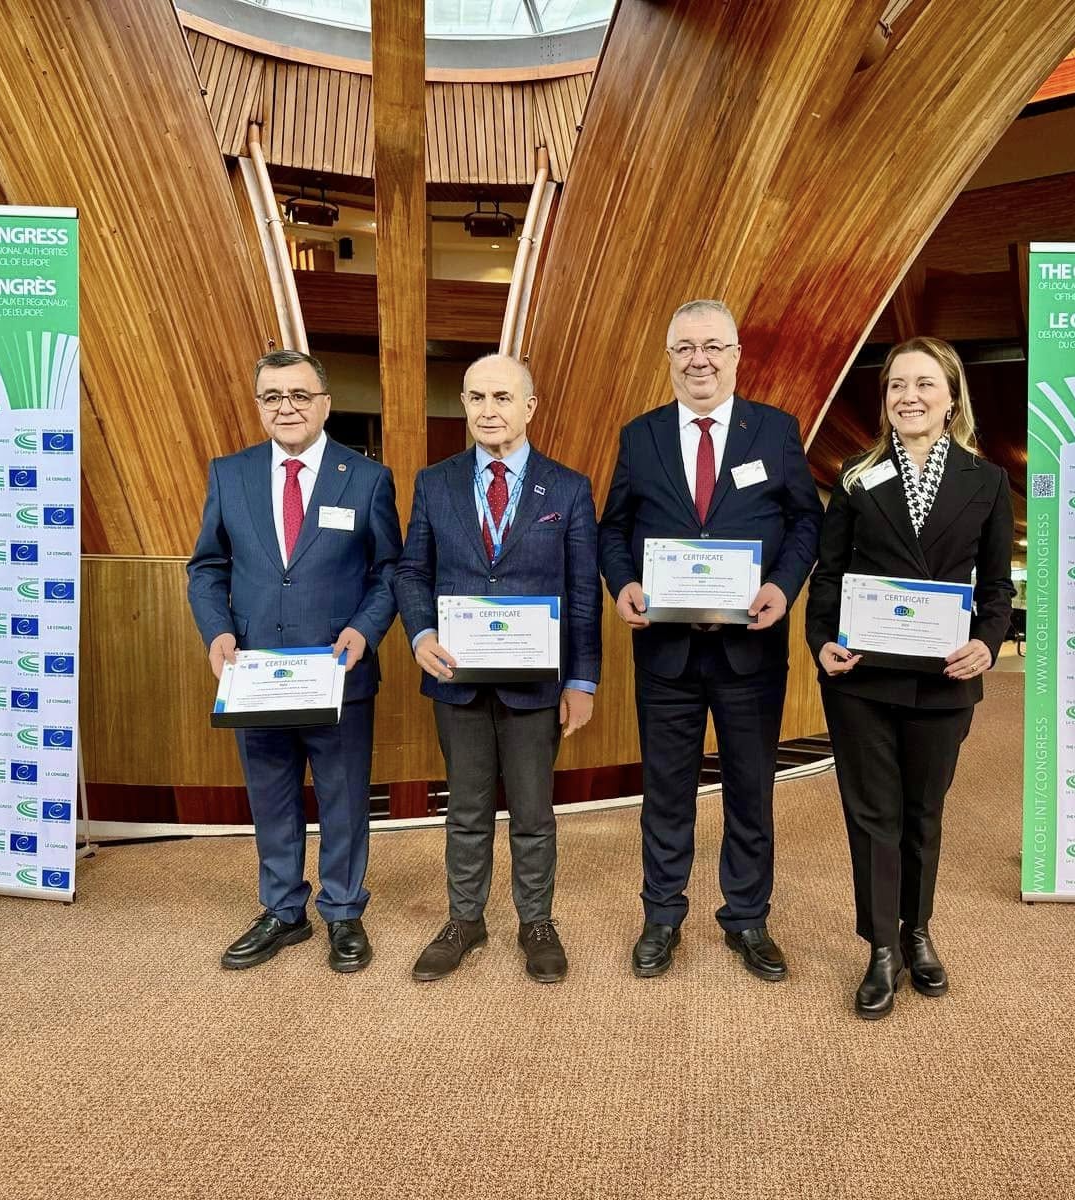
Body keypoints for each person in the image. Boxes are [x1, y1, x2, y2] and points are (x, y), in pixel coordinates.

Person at [598, 299, 823, 982]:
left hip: (750, 650)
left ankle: (747, 918)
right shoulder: (640, 437)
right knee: (666, 790)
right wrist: (623, 585)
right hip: (665, 652)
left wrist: (783, 587)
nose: (699, 359)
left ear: (736, 357)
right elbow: (613, 529)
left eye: (713, 346)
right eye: (685, 347)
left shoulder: (777, 432)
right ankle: (662, 917)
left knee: (750, 787)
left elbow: (807, 524)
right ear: (669, 358)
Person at [806, 336, 1014, 1019]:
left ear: (951, 397)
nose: (910, 396)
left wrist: (987, 644)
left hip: (944, 679)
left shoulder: (986, 481)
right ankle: (880, 950)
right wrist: (822, 641)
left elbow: (998, 587)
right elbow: (829, 575)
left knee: (924, 813)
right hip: (863, 678)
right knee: (873, 816)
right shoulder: (857, 476)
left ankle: (916, 930)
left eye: (925, 384)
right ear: (886, 397)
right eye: (898, 385)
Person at [187, 349, 401, 973]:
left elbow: (389, 570)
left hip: (339, 671)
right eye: (272, 396)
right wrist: (218, 632)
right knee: (272, 797)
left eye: (299, 395)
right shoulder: (230, 473)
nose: (286, 407)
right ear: (259, 406)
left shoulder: (366, 478)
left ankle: (343, 911)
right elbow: (208, 568)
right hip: (253, 675)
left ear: (325, 402)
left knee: (342, 798)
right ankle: (283, 911)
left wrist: (365, 630)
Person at [394, 354, 601, 984]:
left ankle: (535, 921)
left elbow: (583, 593)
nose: (490, 410)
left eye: (503, 398)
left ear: (530, 407)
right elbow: (412, 571)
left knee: (534, 811)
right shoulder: (436, 482)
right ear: (463, 403)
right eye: (477, 397)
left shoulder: (567, 488)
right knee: (466, 807)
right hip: (456, 678)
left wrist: (583, 680)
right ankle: (465, 920)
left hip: (536, 683)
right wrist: (420, 633)